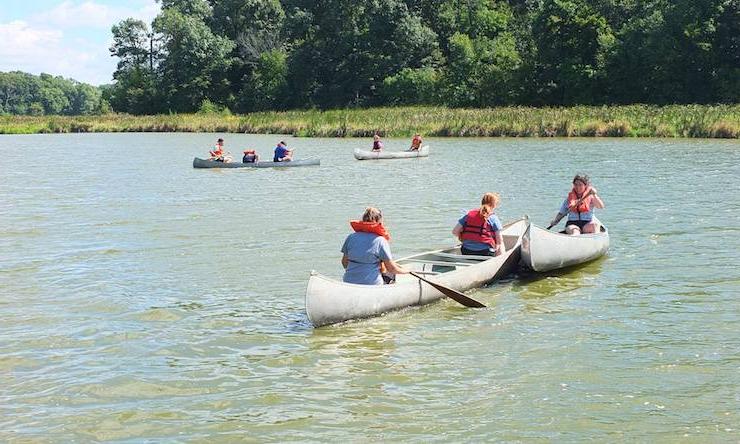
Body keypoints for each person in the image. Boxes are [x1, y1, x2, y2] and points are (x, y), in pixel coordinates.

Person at [341, 207, 408, 285]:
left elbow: (344, 263)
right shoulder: (380, 240)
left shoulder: (351, 237)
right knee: (392, 275)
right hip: (372, 284)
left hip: (349, 281)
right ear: (379, 221)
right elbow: (391, 268)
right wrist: (407, 271)